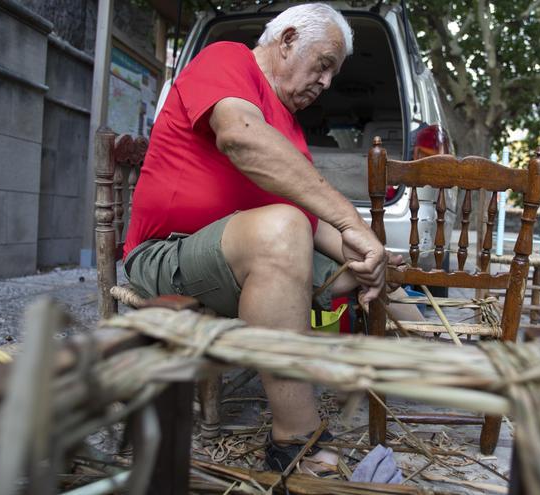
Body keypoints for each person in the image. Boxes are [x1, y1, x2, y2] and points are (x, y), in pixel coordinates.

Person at [123, 4, 398, 473]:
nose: (327, 83)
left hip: (233, 261)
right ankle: (295, 442)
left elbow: (316, 220)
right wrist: (351, 217)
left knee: (360, 269)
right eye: (324, 64)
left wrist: (370, 249)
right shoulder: (227, 60)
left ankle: (432, 352)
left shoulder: (289, 126)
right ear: (288, 39)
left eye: (333, 72)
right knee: (282, 227)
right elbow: (240, 138)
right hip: (165, 254)